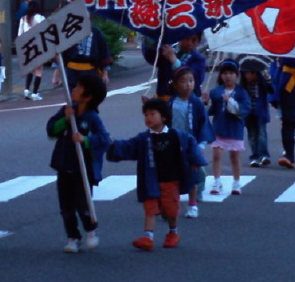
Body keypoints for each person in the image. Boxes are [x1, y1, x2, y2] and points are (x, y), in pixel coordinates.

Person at [106, 98, 207, 251]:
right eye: (146, 115)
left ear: (164, 117)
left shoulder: (177, 135)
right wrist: (114, 144)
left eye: (152, 114)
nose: (148, 118)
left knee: (171, 209)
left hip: (171, 179)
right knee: (150, 206)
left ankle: (173, 232)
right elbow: (129, 146)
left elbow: (191, 144)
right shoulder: (143, 138)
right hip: (151, 179)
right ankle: (148, 237)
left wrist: (195, 161)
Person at [46, 74, 110, 253]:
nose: (73, 89)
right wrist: (64, 119)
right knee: (65, 206)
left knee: (83, 203)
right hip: (64, 165)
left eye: (79, 87)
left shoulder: (92, 118)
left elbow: (104, 139)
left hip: (83, 169)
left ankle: (90, 228)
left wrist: (86, 140)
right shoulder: (67, 110)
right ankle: (72, 236)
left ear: (88, 97)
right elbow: (51, 129)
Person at [168, 67, 214, 218]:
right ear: (175, 84)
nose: (188, 85)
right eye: (183, 81)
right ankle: (170, 205)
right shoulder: (170, 103)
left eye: (191, 81)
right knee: (172, 175)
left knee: (194, 173)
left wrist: (201, 144)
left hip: (191, 144)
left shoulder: (196, 103)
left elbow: (203, 123)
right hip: (174, 144)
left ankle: (193, 204)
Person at [204, 59, 251, 196]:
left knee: (234, 157)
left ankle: (236, 182)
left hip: (235, 129)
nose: (228, 76)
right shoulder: (216, 91)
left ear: (236, 75)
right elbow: (213, 110)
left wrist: (230, 102)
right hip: (219, 127)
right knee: (217, 155)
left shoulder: (242, 92)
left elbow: (245, 109)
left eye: (231, 73)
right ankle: (217, 181)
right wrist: (205, 103)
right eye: (225, 73)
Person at [142, 33, 206, 101]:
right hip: (165, 99)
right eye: (186, 38)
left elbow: (196, 80)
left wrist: (174, 60)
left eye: (194, 40)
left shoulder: (199, 59)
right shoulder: (167, 50)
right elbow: (150, 55)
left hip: (188, 101)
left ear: (198, 42)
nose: (189, 43)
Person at [240, 63, 273, 168]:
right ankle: (255, 156)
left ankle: (264, 155)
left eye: (248, 74)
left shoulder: (261, 82)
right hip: (249, 114)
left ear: (254, 73)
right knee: (252, 136)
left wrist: (268, 79)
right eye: (244, 74)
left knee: (262, 134)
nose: (246, 76)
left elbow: (271, 90)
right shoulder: (243, 85)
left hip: (260, 112)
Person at [18, 1, 46, 100]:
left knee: (30, 68)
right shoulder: (41, 18)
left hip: (27, 47)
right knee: (38, 70)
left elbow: (19, 35)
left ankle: (26, 90)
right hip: (38, 46)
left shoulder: (23, 19)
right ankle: (34, 93)